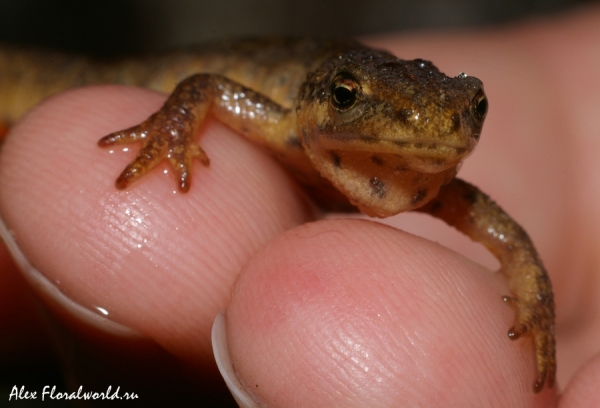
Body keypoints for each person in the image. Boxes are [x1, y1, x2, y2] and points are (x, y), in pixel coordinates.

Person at [1, 5, 599, 406]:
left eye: (470, 115)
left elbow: (510, 241)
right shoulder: (286, 120)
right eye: (346, 100)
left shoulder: (442, 188)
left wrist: (534, 302)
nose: (422, 132)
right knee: (70, 93)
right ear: (320, 101)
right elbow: (206, 86)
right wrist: (175, 129)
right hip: (149, 72)